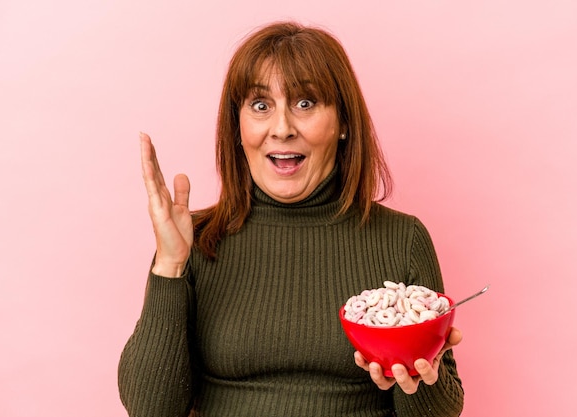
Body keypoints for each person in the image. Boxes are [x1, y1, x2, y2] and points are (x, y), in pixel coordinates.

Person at [118, 21, 464, 417]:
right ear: (238, 127)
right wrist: (169, 265)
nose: (281, 129)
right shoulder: (194, 240)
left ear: (344, 124)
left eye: (305, 103)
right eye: (261, 106)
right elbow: (150, 409)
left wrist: (419, 373)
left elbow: (440, 411)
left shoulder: (402, 240)